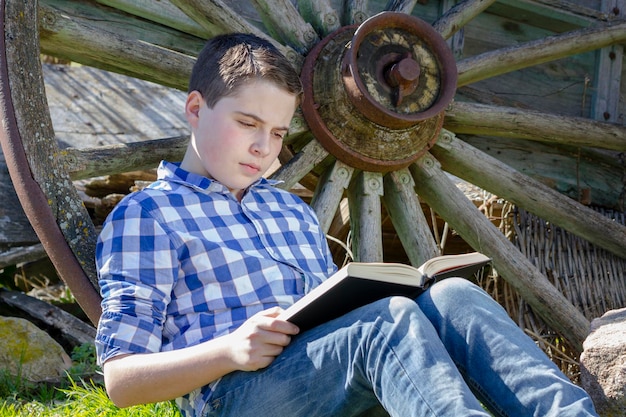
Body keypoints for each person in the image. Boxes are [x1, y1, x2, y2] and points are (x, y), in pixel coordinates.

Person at [94, 33, 598, 417]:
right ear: (195, 108)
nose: (263, 148)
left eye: (275, 132)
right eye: (247, 124)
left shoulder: (289, 211)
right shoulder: (148, 216)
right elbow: (122, 382)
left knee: (453, 298)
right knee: (387, 322)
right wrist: (229, 350)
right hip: (237, 395)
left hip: (326, 374)